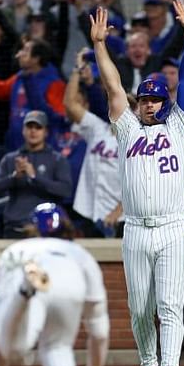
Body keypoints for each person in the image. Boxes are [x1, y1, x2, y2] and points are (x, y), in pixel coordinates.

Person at [90, 0, 184, 366]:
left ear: (165, 102)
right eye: (145, 99)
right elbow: (112, 85)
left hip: (171, 227)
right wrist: (100, 46)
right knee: (138, 309)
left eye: (155, 98)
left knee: (169, 305)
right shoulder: (128, 129)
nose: (149, 104)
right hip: (135, 228)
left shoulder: (181, 127)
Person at [0, 203, 109, 366]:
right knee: (58, 346)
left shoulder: (14, 250)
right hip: (69, 283)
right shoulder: (80, 254)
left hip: (25, 278)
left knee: (12, 346)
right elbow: (99, 330)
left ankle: (25, 290)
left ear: (32, 227)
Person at [64, 52, 123, 238]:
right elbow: (70, 104)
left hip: (122, 218)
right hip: (89, 211)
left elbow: (143, 183)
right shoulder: (99, 128)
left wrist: (119, 211)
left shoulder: (138, 140)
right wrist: (77, 70)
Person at [0, 111, 73, 238]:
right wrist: (14, 178)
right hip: (15, 228)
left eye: (38, 127)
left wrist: (34, 177)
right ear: (23, 130)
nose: (33, 131)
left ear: (46, 132)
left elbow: (65, 190)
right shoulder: (10, 159)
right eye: (29, 127)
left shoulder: (57, 159)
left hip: (45, 230)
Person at [0, 38, 67, 152]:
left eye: (25, 51)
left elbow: (57, 118)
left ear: (36, 58)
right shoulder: (19, 77)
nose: (20, 54)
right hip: (16, 143)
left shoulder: (54, 83)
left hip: (42, 148)